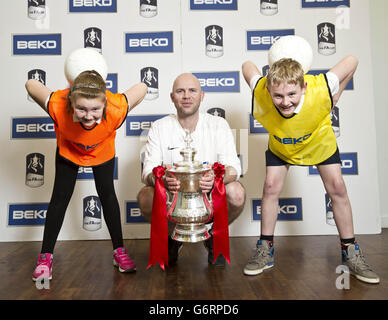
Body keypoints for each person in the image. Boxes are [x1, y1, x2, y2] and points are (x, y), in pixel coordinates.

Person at [241, 56, 380, 284]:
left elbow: (353, 60)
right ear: (268, 89)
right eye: (278, 95)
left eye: (292, 94)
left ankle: (350, 252)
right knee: (270, 187)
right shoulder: (261, 90)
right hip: (283, 145)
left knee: (337, 188)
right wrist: (265, 80)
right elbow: (247, 66)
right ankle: (265, 249)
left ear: (303, 87)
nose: (285, 101)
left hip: (318, 142)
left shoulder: (321, 87)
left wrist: (337, 95)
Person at [26, 70, 147, 281]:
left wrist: (103, 94)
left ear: (105, 104)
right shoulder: (57, 105)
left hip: (102, 152)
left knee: (108, 196)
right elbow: (30, 84)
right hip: (69, 151)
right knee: (59, 199)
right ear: (71, 101)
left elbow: (143, 87)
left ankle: (119, 252)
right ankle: (45, 258)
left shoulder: (116, 108)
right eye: (81, 108)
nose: (89, 116)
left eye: (95, 109)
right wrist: (67, 94)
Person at [137, 73, 246, 267]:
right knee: (146, 195)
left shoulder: (218, 124)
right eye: (180, 91)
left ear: (202, 96)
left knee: (236, 192)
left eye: (192, 91)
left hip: (208, 192)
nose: (186, 96)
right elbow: (147, 172)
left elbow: (234, 168)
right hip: (174, 195)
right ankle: (172, 238)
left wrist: (217, 178)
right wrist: (161, 179)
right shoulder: (159, 127)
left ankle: (213, 236)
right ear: (172, 97)